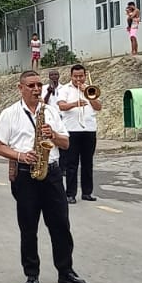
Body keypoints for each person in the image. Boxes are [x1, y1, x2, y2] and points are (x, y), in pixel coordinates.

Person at [0, 70, 84, 283]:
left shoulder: (50, 111)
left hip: (51, 173)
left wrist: (53, 135)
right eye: (31, 86)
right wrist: (20, 156)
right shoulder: (10, 114)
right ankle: (31, 273)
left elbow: (66, 143)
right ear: (20, 88)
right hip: (25, 175)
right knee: (28, 227)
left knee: (61, 225)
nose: (36, 89)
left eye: (38, 85)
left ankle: (65, 271)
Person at [56, 63, 101, 203]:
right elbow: (61, 106)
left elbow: (98, 107)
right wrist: (75, 104)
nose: (78, 79)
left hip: (89, 130)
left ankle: (87, 193)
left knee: (88, 163)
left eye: (81, 76)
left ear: (85, 75)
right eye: (75, 76)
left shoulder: (90, 89)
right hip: (72, 130)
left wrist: (88, 94)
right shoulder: (65, 89)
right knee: (71, 164)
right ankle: (70, 194)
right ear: (71, 76)